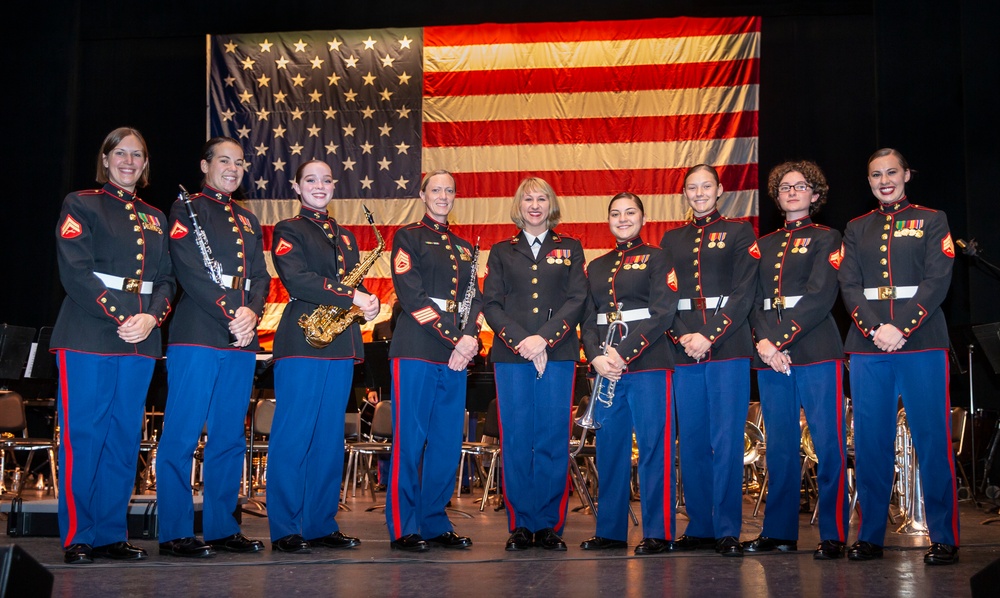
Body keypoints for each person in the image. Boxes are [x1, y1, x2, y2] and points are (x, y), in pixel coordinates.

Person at [51, 127, 175, 565]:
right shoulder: (81, 204)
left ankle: (109, 534)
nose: (128, 161)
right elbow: (75, 271)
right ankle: (78, 536)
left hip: (140, 340)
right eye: (120, 153)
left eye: (137, 155)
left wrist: (150, 317)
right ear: (105, 159)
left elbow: (166, 280)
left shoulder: (156, 216)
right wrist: (123, 314)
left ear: (145, 165)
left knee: (123, 439)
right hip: (89, 334)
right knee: (84, 438)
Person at [839, 148, 959, 565]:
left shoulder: (931, 219)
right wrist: (875, 329)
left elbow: (937, 279)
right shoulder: (856, 228)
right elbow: (849, 284)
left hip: (921, 341)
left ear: (907, 174)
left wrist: (901, 327)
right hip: (868, 345)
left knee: (932, 440)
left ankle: (943, 536)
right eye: (876, 175)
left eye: (892, 172)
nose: (884, 180)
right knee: (870, 443)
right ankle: (870, 535)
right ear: (868, 181)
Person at [156, 136, 270, 558]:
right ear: (205, 165)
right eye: (224, 160)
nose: (233, 168)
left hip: (241, 338)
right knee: (182, 435)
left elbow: (260, 276)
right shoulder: (186, 209)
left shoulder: (248, 219)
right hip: (199, 334)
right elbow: (189, 270)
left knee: (229, 438)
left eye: (239, 163)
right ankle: (174, 532)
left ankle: (222, 527)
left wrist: (252, 314)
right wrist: (232, 314)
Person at [265, 160, 380, 553]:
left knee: (330, 440)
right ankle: (285, 529)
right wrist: (353, 296)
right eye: (310, 180)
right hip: (302, 342)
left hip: (340, 343)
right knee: (293, 437)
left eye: (326, 180)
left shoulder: (346, 237)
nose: (320, 186)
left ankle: (319, 523)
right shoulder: (289, 230)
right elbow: (297, 279)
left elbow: (354, 284)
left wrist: (369, 303)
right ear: (297, 188)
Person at [743, 160, 850, 559]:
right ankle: (779, 532)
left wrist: (781, 338)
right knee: (781, 448)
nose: (791, 191)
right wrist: (765, 343)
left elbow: (822, 296)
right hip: (771, 357)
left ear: (815, 194)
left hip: (816, 351)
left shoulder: (828, 237)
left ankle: (834, 534)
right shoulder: (763, 243)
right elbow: (751, 300)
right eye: (784, 187)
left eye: (800, 186)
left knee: (827, 444)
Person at [482, 177, 588, 551]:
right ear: (518, 205)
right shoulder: (501, 251)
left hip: (557, 355)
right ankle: (520, 524)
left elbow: (577, 299)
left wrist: (544, 337)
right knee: (516, 440)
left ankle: (548, 524)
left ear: (551, 204)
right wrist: (523, 341)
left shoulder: (570, 248)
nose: (535, 205)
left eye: (542, 198)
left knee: (552, 439)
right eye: (528, 199)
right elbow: (490, 303)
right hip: (512, 357)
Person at [660, 164, 758, 557]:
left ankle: (727, 529)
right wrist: (685, 335)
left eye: (706, 186)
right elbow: (664, 296)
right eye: (691, 187)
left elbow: (744, 292)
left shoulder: (739, 233)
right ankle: (700, 525)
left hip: (727, 347)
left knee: (727, 442)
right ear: (684, 193)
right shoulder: (670, 239)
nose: (699, 193)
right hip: (684, 349)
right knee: (693, 443)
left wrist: (709, 335)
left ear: (720, 190)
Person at [385, 169, 483, 551]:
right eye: (436, 189)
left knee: (445, 443)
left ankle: (434, 521)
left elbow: (476, 299)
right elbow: (412, 298)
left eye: (449, 190)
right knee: (411, 441)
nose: (443, 196)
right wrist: (457, 338)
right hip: (417, 349)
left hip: (456, 355)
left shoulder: (463, 246)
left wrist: (471, 335)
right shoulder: (408, 237)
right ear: (423, 194)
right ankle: (403, 526)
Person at [578, 192, 679, 555]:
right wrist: (595, 356)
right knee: (609, 449)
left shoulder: (658, 258)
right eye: (615, 214)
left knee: (655, 448)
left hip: (649, 362)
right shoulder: (598, 266)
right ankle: (610, 530)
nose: (622, 219)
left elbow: (663, 313)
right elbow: (588, 319)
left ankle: (659, 531)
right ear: (608, 220)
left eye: (630, 212)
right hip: (605, 368)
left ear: (643, 217)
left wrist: (621, 353)